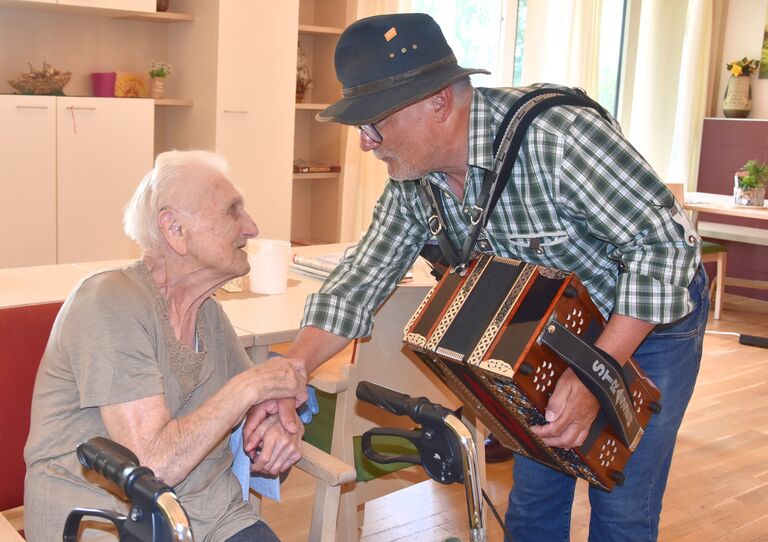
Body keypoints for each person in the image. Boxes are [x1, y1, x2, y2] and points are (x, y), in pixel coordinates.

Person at [24, 150, 308, 542]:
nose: (252, 227)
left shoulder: (208, 313)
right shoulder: (109, 302)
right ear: (174, 229)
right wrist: (252, 387)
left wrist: (280, 427)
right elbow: (150, 467)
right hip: (109, 520)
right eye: (232, 211)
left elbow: (262, 413)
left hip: (211, 516)